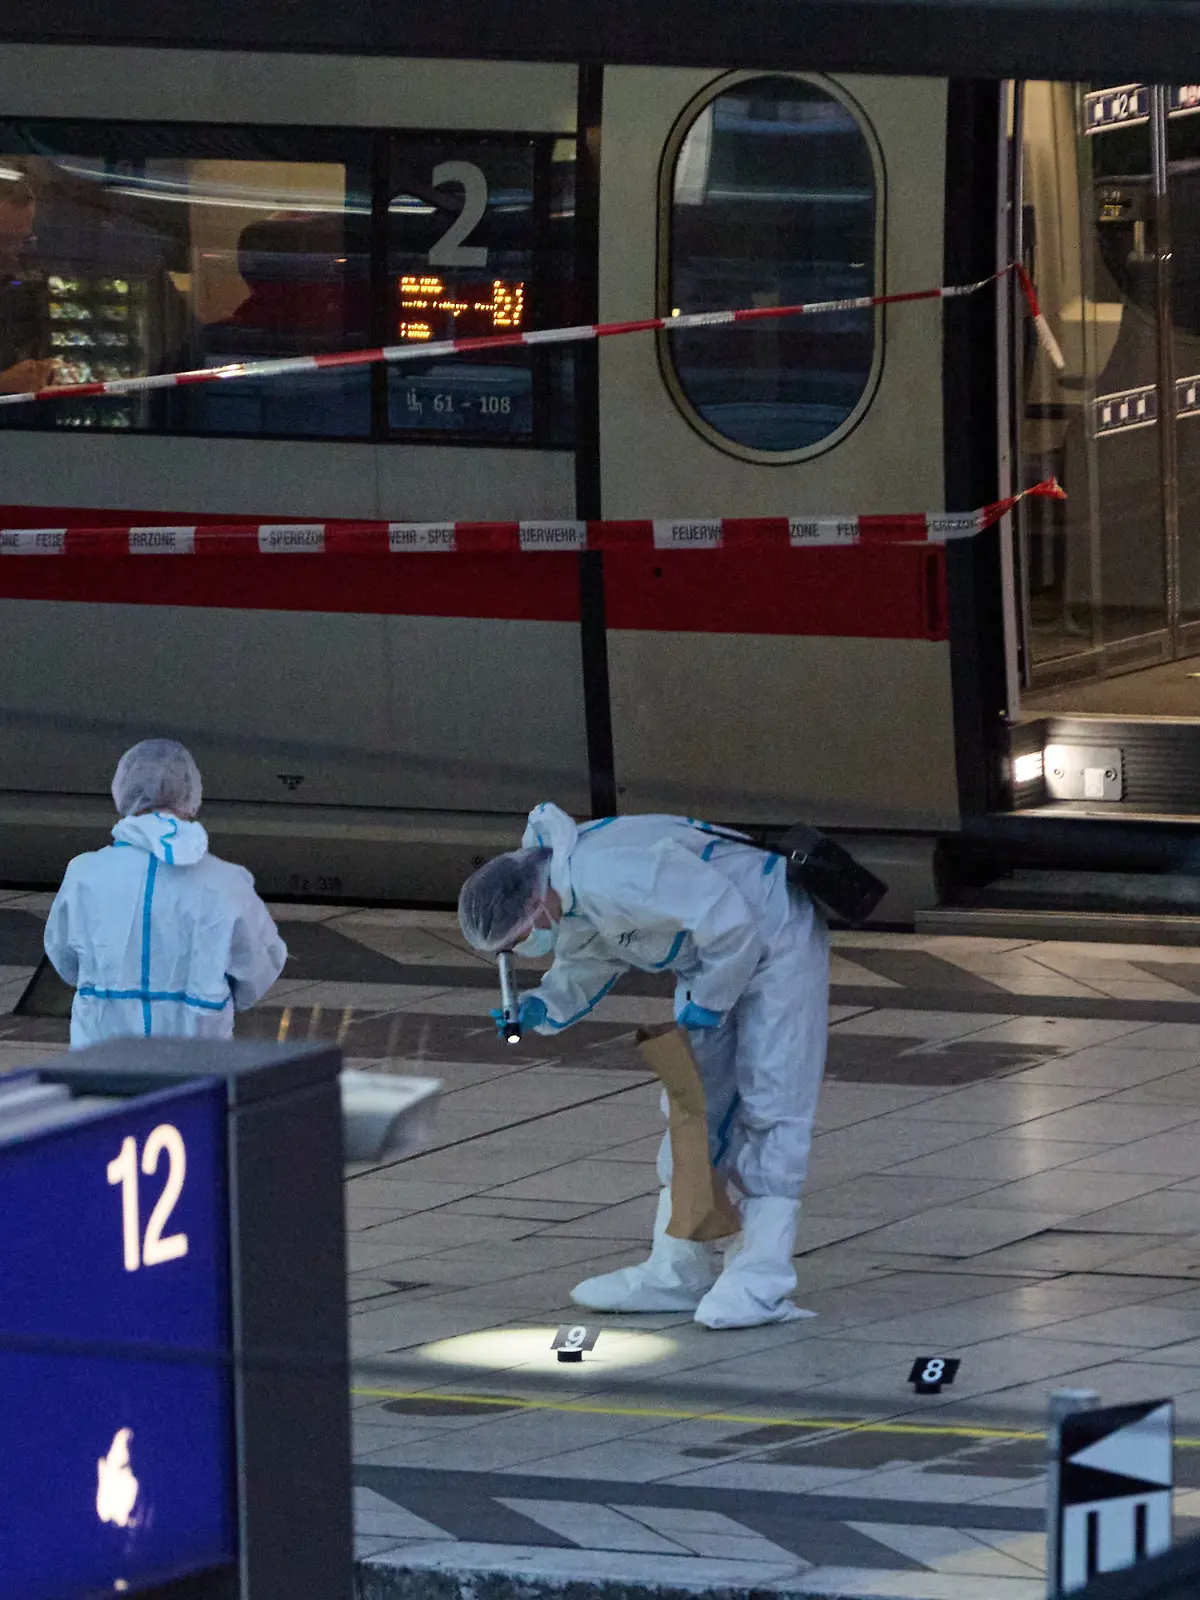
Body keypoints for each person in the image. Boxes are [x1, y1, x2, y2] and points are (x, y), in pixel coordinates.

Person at [458, 802, 830, 1330]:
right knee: (692, 1107)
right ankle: (678, 1270)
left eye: (520, 939)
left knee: (773, 1104)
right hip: (711, 960)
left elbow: (731, 924)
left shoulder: (612, 872)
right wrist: (546, 1005)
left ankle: (759, 1281)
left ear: (535, 905)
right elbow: (592, 954)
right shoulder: (571, 891)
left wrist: (711, 1000)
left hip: (775, 938)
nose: (528, 945)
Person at [44, 739, 287, 1046]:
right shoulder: (226, 882)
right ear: (191, 793)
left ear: (124, 790)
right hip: (196, 1065)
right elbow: (258, 967)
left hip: (101, 1060)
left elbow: (64, 958)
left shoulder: (85, 874)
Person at [0, 165, 55, 396]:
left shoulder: (21, 282)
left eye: (24, 239)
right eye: (5, 239)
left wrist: (42, 371)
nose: (14, 252)